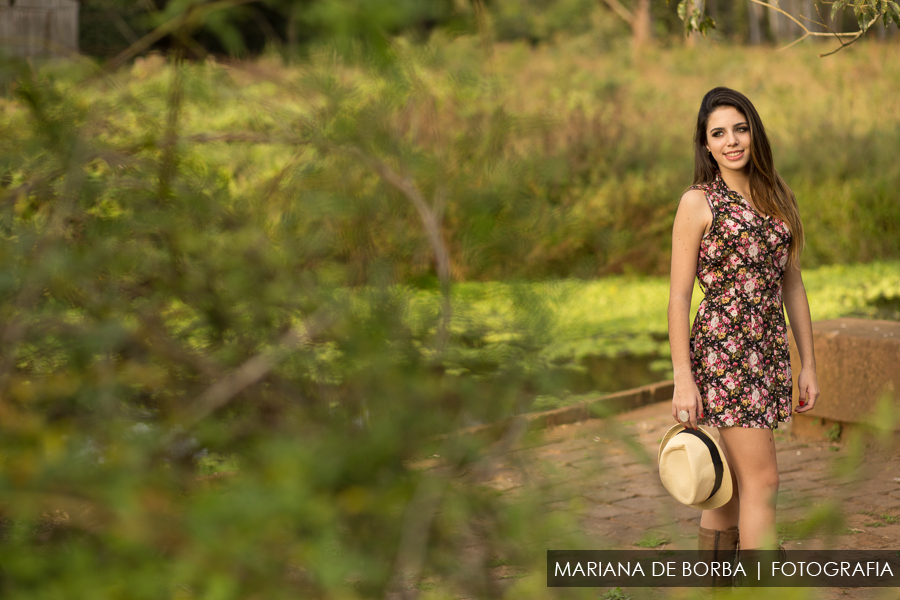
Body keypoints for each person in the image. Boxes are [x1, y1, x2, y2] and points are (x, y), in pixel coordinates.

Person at [667, 87, 821, 560]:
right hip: (723, 353)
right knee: (763, 481)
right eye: (719, 133)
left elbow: (791, 284)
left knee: (729, 490)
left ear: (753, 132)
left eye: (740, 128)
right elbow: (678, 297)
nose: (732, 140)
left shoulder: (778, 195)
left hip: (767, 351)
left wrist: (808, 363)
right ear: (706, 145)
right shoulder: (698, 202)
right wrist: (682, 379)